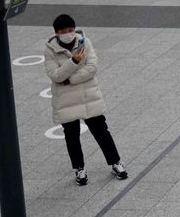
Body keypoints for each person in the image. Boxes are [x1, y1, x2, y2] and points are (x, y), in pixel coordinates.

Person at [45, 14, 127, 186]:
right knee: (72, 136)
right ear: (56, 33)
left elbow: (92, 67)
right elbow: (55, 75)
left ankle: (115, 162)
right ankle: (79, 169)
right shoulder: (50, 50)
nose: (68, 34)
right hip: (66, 101)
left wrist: (71, 79)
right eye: (63, 31)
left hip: (88, 96)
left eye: (70, 30)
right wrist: (74, 62)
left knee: (101, 131)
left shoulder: (84, 42)